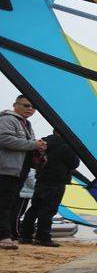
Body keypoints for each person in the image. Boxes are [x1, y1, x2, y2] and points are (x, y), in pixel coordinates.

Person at [0, 95, 46, 250]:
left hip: (19, 170)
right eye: (26, 105)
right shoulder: (8, 119)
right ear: (15, 105)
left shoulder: (26, 123)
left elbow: (27, 144)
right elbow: (3, 139)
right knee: (4, 204)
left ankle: (7, 234)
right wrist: (33, 145)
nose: (30, 109)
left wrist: (39, 147)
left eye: (33, 107)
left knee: (10, 203)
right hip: (6, 169)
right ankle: (4, 237)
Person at [19, 130, 79, 247]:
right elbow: (74, 163)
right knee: (48, 210)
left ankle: (25, 236)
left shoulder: (42, 143)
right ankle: (43, 237)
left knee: (34, 208)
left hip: (41, 180)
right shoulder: (65, 146)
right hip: (56, 182)